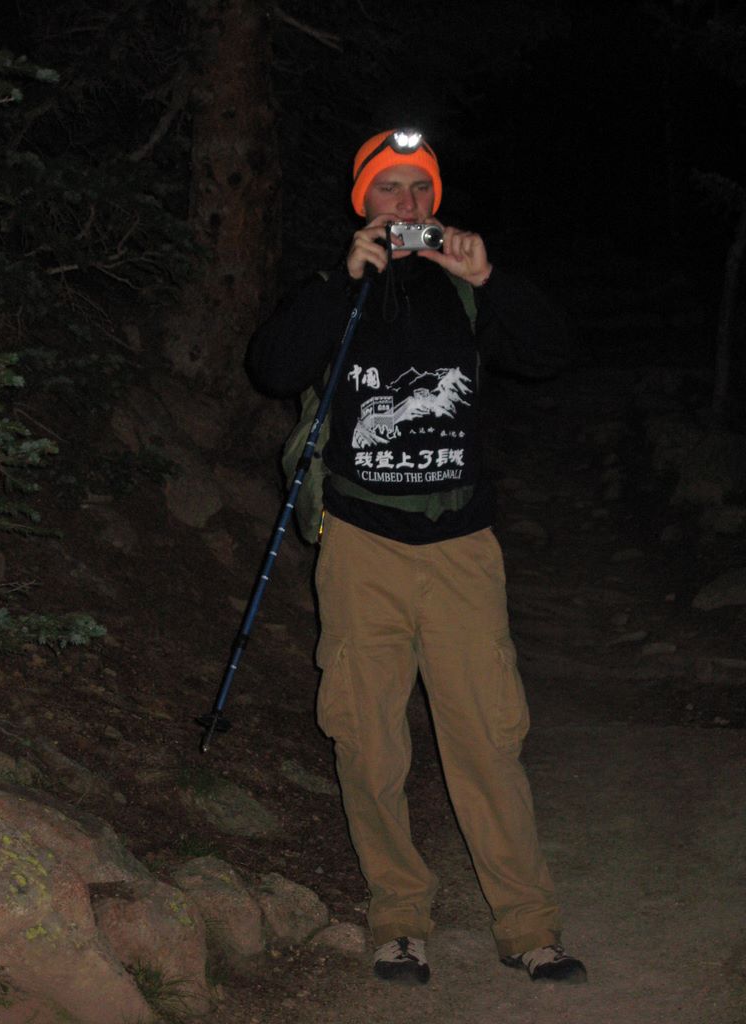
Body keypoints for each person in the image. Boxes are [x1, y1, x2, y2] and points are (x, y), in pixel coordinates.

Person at [247, 128, 587, 987]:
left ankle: (528, 925)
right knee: (367, 741)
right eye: (390, 188)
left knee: (487, 738)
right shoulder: (335, 289)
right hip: (362, 546)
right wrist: (344, 280)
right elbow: (272, 366)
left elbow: (551, 353)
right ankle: (399, 918)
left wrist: (489, 277)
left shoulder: (464, 289)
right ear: (362, 202)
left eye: (421, 189)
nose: (408, 204)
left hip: (461, 548)